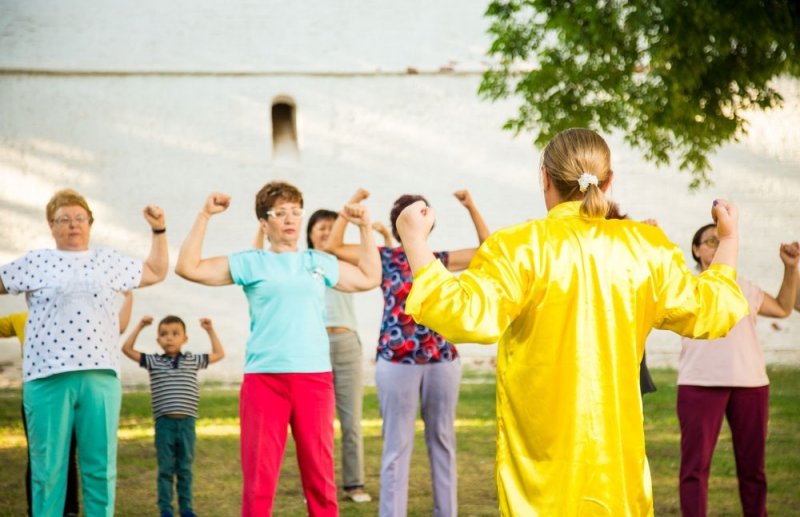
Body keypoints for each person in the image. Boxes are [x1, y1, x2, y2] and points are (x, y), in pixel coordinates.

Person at [393, 128, 749, 515]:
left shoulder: (518, 247)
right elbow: (712, 309)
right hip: (615, 466)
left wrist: (414, 240)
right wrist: (728, 240)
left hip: (540, 469)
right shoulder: (645, 248)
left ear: (544, 177)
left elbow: (463, 313)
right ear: (610, 180)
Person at [174, 181, 381, 517]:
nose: (290, 219)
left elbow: (370, 277)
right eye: (280, 213)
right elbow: (188, 267)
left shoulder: (317, 261)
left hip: (314, 380)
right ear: (263, 222)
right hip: (264, 381)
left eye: (296, 212)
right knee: (259, 481)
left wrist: (366, 228)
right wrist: (204, 216)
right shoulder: (251, 262)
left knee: (320, 479)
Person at [0, 188, 169, 516]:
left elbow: (156, 271)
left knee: (100, 468)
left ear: (90, 224)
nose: (73, 225)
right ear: (52, 225)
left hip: (100, 377)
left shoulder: (108, 261)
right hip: (47, 380)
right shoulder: (36, 261)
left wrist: (159, 230)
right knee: (47, 472)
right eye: (64, 219)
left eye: (79, 218)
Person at [325, 188, 489, 517]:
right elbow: (332, 247)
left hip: (441, 359)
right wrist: (349, 209)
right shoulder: (384, 258)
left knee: (442, 441)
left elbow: (488, 250)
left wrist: (471, 205)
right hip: (396, 361)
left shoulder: (440, 258)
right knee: (396, 446)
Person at [677, 227, 799, 517]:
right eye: (710, 241)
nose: (718, 246)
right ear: (696, 250)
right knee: (694, 468)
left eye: (723, 241)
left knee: (753, 469)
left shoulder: (745, 288)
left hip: (751, 384)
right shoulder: (685, 285)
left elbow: (784, 308)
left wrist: (790, 268)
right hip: (699, 383)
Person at [1, 291, 133, 517]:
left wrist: (129, 298)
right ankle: (37, 509)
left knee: (67, 453)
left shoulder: (75, 318)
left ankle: (69, 509)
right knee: (42, 457)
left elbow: (115, 328)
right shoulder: (19, 318)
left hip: (72, 395)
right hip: (40, 397)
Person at [302, 195, 392, 504]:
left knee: (350, 419)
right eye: (320, 228)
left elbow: (382, 263)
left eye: (332, 227)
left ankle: (354, 484)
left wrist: (383, 235)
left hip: (346, 344)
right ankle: (317, 486)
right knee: (316, 421)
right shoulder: (301, 263)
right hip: (313, 345)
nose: (326, 232)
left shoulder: (342, 261)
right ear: (310, 233)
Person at [121, 315, 225, 517]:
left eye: (175, 334)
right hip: (165, 424)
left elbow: (219, 353)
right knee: (166, 469)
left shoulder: (193, 360)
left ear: (185, 338)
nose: (169, 338)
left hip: (186, 424)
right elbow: (126, 349)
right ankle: (166, 509)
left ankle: (186, 509)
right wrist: (140, 326)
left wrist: (210, 330)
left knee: (185, 469)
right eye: (163, 334)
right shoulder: (153, 361)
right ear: (158, 340)